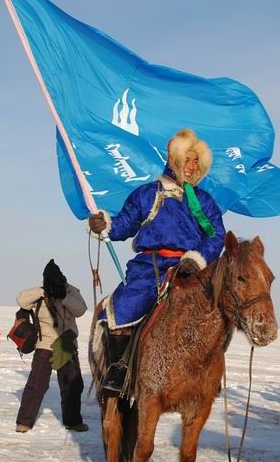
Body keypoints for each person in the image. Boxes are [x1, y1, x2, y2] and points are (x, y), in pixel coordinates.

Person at [88, 129, 226, 391]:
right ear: (174, 159)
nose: (191, 166)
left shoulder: (205, 202)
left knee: (217, 311)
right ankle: (119, 368)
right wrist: (104, 224)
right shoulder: (147, 194)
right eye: (187, 159)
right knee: (124, 304)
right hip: (150, 268)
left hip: (191, 269)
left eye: (196, 161)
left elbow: (216, 235)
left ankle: (209, 372)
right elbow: (123, 226)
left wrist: (198, 259)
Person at [15, 260, 88, 433]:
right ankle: (24, 422)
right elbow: (22, 300)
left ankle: (73, 422)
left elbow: (81, 310)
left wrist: (64, 296)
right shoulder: (40, 293)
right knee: (36, 384)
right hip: (45, 345)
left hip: (67, 345)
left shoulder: (71, 290)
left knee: (72, 385)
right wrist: (43, 290)